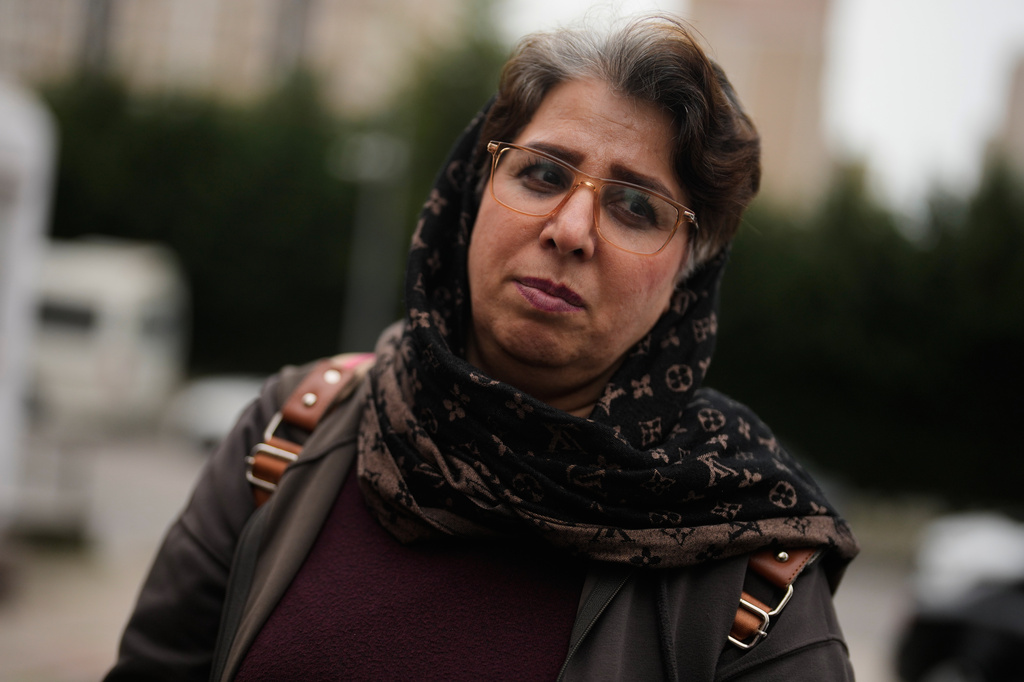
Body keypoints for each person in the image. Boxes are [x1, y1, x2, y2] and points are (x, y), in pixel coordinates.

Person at [106, 13, 859, 681]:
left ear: (688, 277)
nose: (570, 229)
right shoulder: (293, 430)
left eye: (636, 206)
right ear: (474, 189)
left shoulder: (747, 555)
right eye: (542, 173)